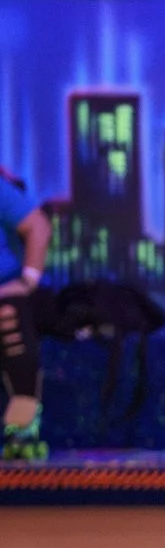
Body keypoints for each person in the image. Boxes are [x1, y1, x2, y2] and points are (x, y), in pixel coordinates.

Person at [0, 166, 53, 461]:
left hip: (4, 290)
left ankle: (21, 427)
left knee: (9, 315)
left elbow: (38, 225)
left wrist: (27, 280)